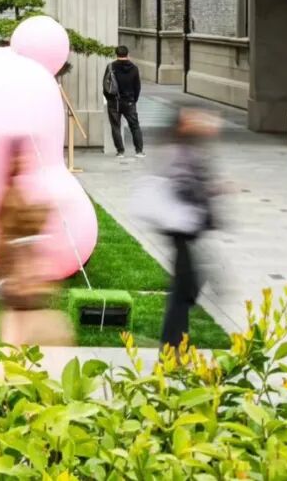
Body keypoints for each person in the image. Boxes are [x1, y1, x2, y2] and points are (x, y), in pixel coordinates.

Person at [0, 139, 75, 347]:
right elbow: (18, 224)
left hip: (19, 271)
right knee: (18, 331)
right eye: (20, 158)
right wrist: (44, 209)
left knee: (20, 327)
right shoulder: (10, 195)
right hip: (16, 271)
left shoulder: (14, 191)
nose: (24, 162)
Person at [160, 107, 221, 351]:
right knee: (184, 291)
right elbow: (184, 186)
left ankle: (175, 343)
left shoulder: (188, 149)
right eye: (189, 121)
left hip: (186, 231)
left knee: (184, 289)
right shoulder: (179, 153)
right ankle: (172, 345)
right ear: (181, 127)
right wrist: (208, 190)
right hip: (181, 231)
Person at [103, 45, 145, 158]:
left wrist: (109, 98)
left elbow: (105, 86)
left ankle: (120, 151)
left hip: (114, 102)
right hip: (129, 102)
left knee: (115, 126)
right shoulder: (134, 68)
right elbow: (137, 87)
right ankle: (139, 151)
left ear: (116, 54)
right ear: (128, 54)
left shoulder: (111, 67)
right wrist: (134, 100)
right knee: (134, 126)